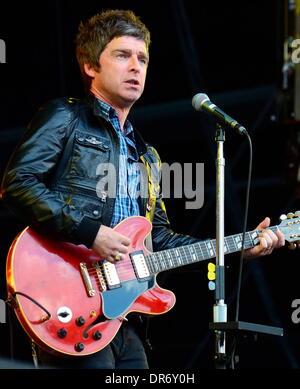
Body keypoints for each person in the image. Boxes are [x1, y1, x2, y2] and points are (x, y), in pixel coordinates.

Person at [1, 9, 285, 369]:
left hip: (124, 320)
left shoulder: (147, 157)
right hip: (71, 302)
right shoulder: (65, 116)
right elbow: (18, 184)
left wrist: (235, 248)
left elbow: (160, 242)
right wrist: (91, 233)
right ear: (90, 65)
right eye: (122, 55)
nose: (136, 66)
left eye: (143, 59)